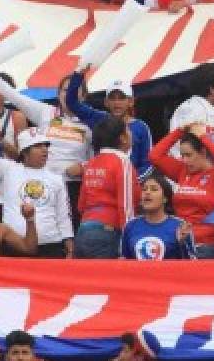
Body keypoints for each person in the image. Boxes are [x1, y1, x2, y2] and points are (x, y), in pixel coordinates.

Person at [0, 126, 73, 258]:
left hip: (50, 246)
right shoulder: (9, 170)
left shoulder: (56, 178)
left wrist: (70, 247)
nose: (44, 150)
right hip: (14, 245)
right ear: (25, 152)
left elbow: (63, 216)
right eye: (38, 146)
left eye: (45, 145)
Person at [149, 124, 214, 259]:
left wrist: (203, 136)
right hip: (179, 242)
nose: (185, 160)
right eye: (182, 155)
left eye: (189, 155)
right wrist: (180, 131)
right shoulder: (183, 171)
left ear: (203, 153)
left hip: (206, 247)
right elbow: (155, 156)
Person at [74, 117, 140, 259]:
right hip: (108, 231)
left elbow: (81, 205)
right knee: (105, 280)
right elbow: (126, 208)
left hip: (83, 230)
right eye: (128, 130)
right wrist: (129, 244)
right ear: (123, 137)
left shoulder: (91, 163)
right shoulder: (122, 162)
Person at [64, 72, 152, 175]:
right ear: (106, 102)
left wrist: (131, 182)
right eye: (112, 98)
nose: (116, 102)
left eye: (121, 98)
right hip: (102, 183)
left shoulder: (141, 127)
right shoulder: (99, 118)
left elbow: (147, 164)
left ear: (131, 101)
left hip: (130, 185)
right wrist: (78, 74)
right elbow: (72, 102)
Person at [120, 175, 196, 260]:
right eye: (144, 189)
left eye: (154, 189)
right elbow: (124, 261)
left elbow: (191, 265)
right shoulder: (130, 226)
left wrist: (182, 243)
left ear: (165, 198)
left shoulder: (180, 226)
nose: (147, 192)